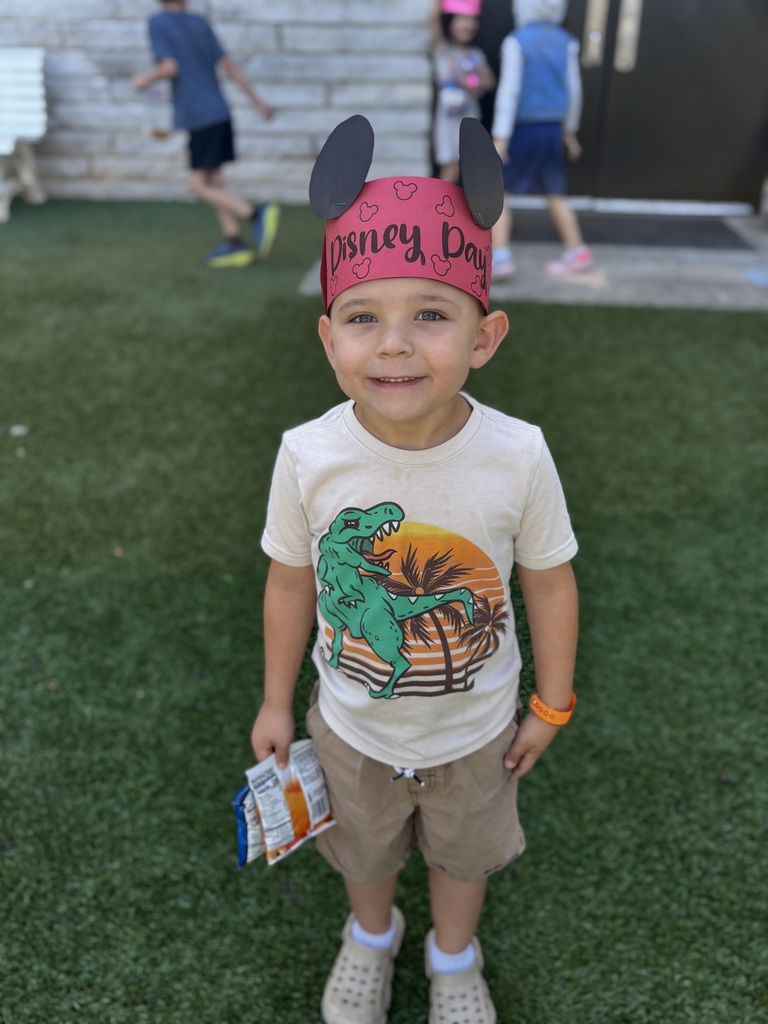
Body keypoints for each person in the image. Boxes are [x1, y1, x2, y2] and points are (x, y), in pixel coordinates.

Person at [250, 114, 579, 1024]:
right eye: (365, 319)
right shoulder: (310, 455)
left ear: (485, 336)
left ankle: (451, 955)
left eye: (430, 315)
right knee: (364, 854)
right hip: (351, 726)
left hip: (477, 729)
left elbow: (548, 576)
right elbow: (290, 579)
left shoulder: (518, 454)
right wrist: (278, 703)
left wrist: (553, 702)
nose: (394, 344)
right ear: (328, 339)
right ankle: (372, 936)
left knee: (460, 855)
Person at [132, 0, 279, 269]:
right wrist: (257, 102)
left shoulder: (158, 22)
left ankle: (255, 213)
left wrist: (143, 79)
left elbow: (169, 67)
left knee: (197, 185)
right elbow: (229, 64)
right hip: (220, 112)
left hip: (200, 118)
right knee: (214, 181)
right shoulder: (199, 22)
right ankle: (235, 242)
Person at [491, 0, 593, 279]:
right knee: (555, 192)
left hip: (524, 129)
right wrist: (568, 130)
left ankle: (500, 257)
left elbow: (509, 92)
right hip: (552, 130)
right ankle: (578, 250)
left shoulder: (517, 41)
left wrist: (501, 137)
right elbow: (574, 91)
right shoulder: (567, 42)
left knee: (500, 193)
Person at [429, 0, 496, 183]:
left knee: (469, 168)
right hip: (448, 122)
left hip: (470, 119)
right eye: (462, 19)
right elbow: (433, 19)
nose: (468, 24)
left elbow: (490, 81)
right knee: (450, 168)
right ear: (449, 21)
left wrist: (472, 81)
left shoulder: (475, 53)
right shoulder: (443, 50)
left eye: (472, 19)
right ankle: (440, 208)